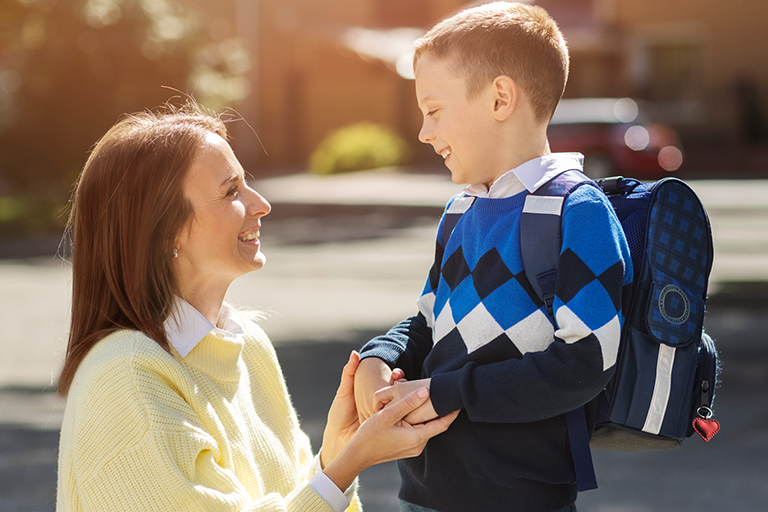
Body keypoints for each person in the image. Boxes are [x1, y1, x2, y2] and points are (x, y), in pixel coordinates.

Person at [55, 104, 458, 512]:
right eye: (231, 191)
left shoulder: (248, 345)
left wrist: (335, 455)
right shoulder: (125, 376)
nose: (261, 204)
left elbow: (290, 500)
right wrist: (350, 464)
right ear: (163, 231)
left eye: (247, 183)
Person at [353, 3, 633, 512]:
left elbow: (585, 361)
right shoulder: (461, 212)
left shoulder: (578, 210)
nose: (423, 131)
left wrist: (444, 393)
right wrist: (382, 356)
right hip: (424, 493)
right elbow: (427, 324)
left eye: (433, 109)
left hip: (521, 498)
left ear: (500, 98)